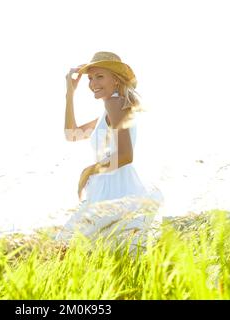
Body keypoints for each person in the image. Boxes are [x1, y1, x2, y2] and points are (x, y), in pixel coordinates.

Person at [56, 51, 164, 244]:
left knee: (64, 243)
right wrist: (70, 94)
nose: (93, 84)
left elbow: (126, 154)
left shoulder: (115, 103)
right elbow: (71, 134)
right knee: (94, 252)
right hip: (111, 189)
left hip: (112, 190)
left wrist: (89, 171)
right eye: (90, 78)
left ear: (115, 80)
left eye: (99, 76)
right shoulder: (110, 108)